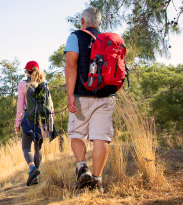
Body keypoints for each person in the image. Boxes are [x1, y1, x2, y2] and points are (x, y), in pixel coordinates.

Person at [64, 7, 116, 193]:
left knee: (77, 134)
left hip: (82, 95)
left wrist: (71, 95)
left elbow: (71, 66)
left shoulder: (75, 37)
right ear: (99, 22)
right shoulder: (108, 40)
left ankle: (82, 168)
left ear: (82, 21)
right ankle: (97, 181)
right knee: (101, 138)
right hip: (107, 96)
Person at [15, 60, 54, 186]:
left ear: (27, 72)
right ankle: (35, 177)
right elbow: (51, 106)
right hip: (42, 121)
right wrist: (50, 122)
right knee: (38, 148)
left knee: (26, 147)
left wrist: (17, 123)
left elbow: (20, 107)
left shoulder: (23, 84)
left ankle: (32, 169)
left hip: (29, 119)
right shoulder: (44, 85)